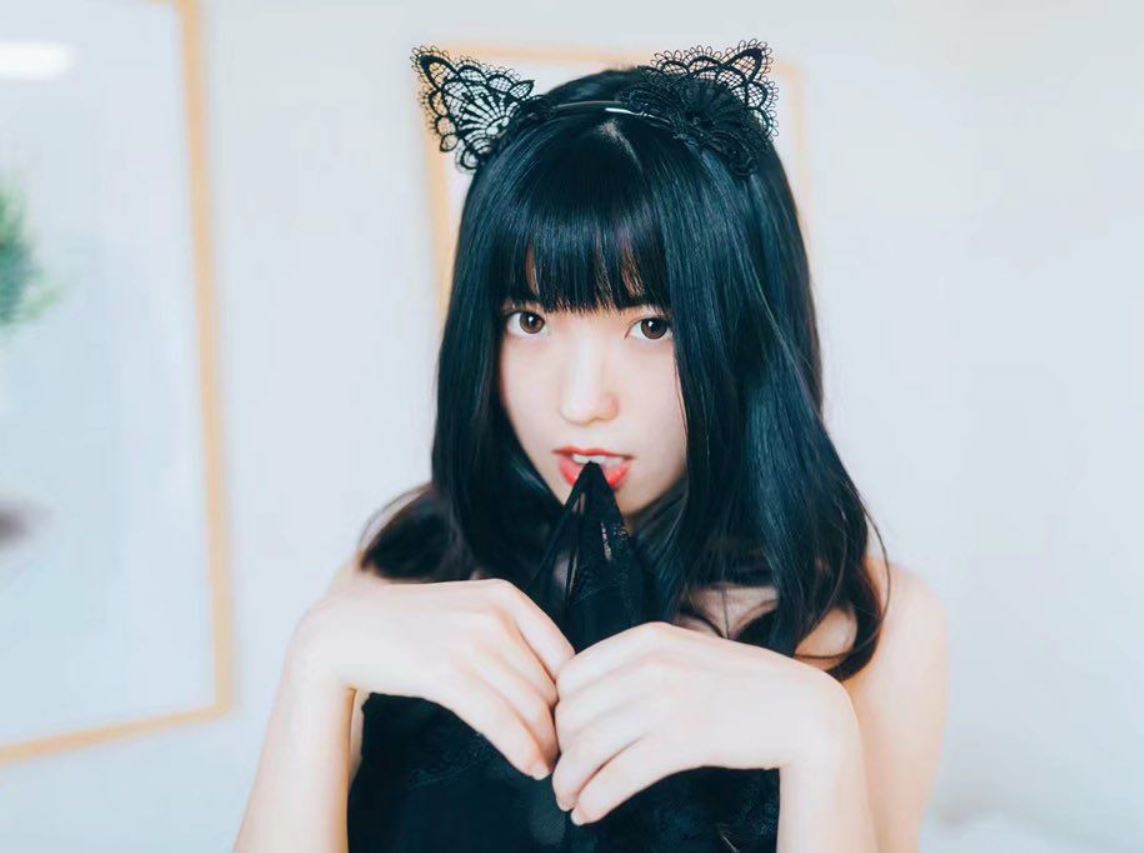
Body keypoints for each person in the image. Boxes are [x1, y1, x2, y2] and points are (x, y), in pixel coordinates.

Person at [235, 38, 948, 852]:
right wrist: (317, 659)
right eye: (530, 319)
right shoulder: (403, 568)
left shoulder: (875, 625)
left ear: (748, 335)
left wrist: (819, 737)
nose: (579, 403)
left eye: (653, 325)